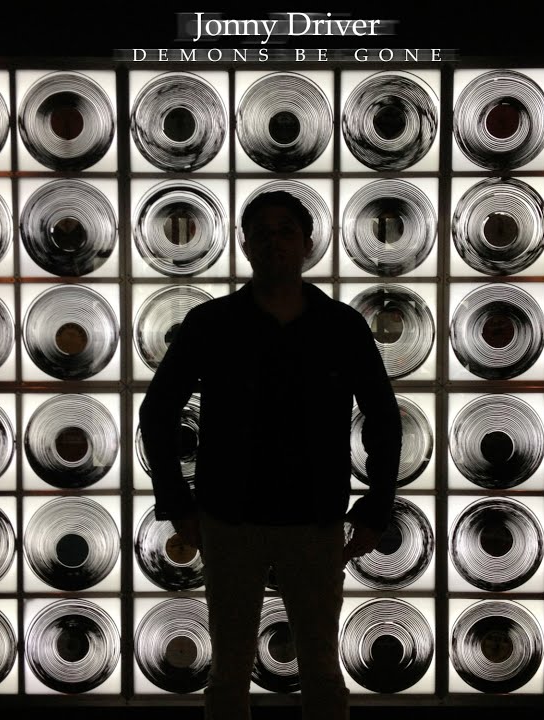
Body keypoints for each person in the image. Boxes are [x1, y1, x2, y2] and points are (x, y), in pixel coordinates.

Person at [138, 190, 403, 720]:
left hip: (312, 518)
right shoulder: (212, 323)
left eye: (285, 231)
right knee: (229, 672)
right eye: (262, 232)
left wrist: (378, 505)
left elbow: (382, 414)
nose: (273, 241)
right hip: (231, 517)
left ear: (307, 243)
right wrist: (175, 501)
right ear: (245, 244)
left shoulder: (340, 325)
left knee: (322, 671)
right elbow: (157, 410)